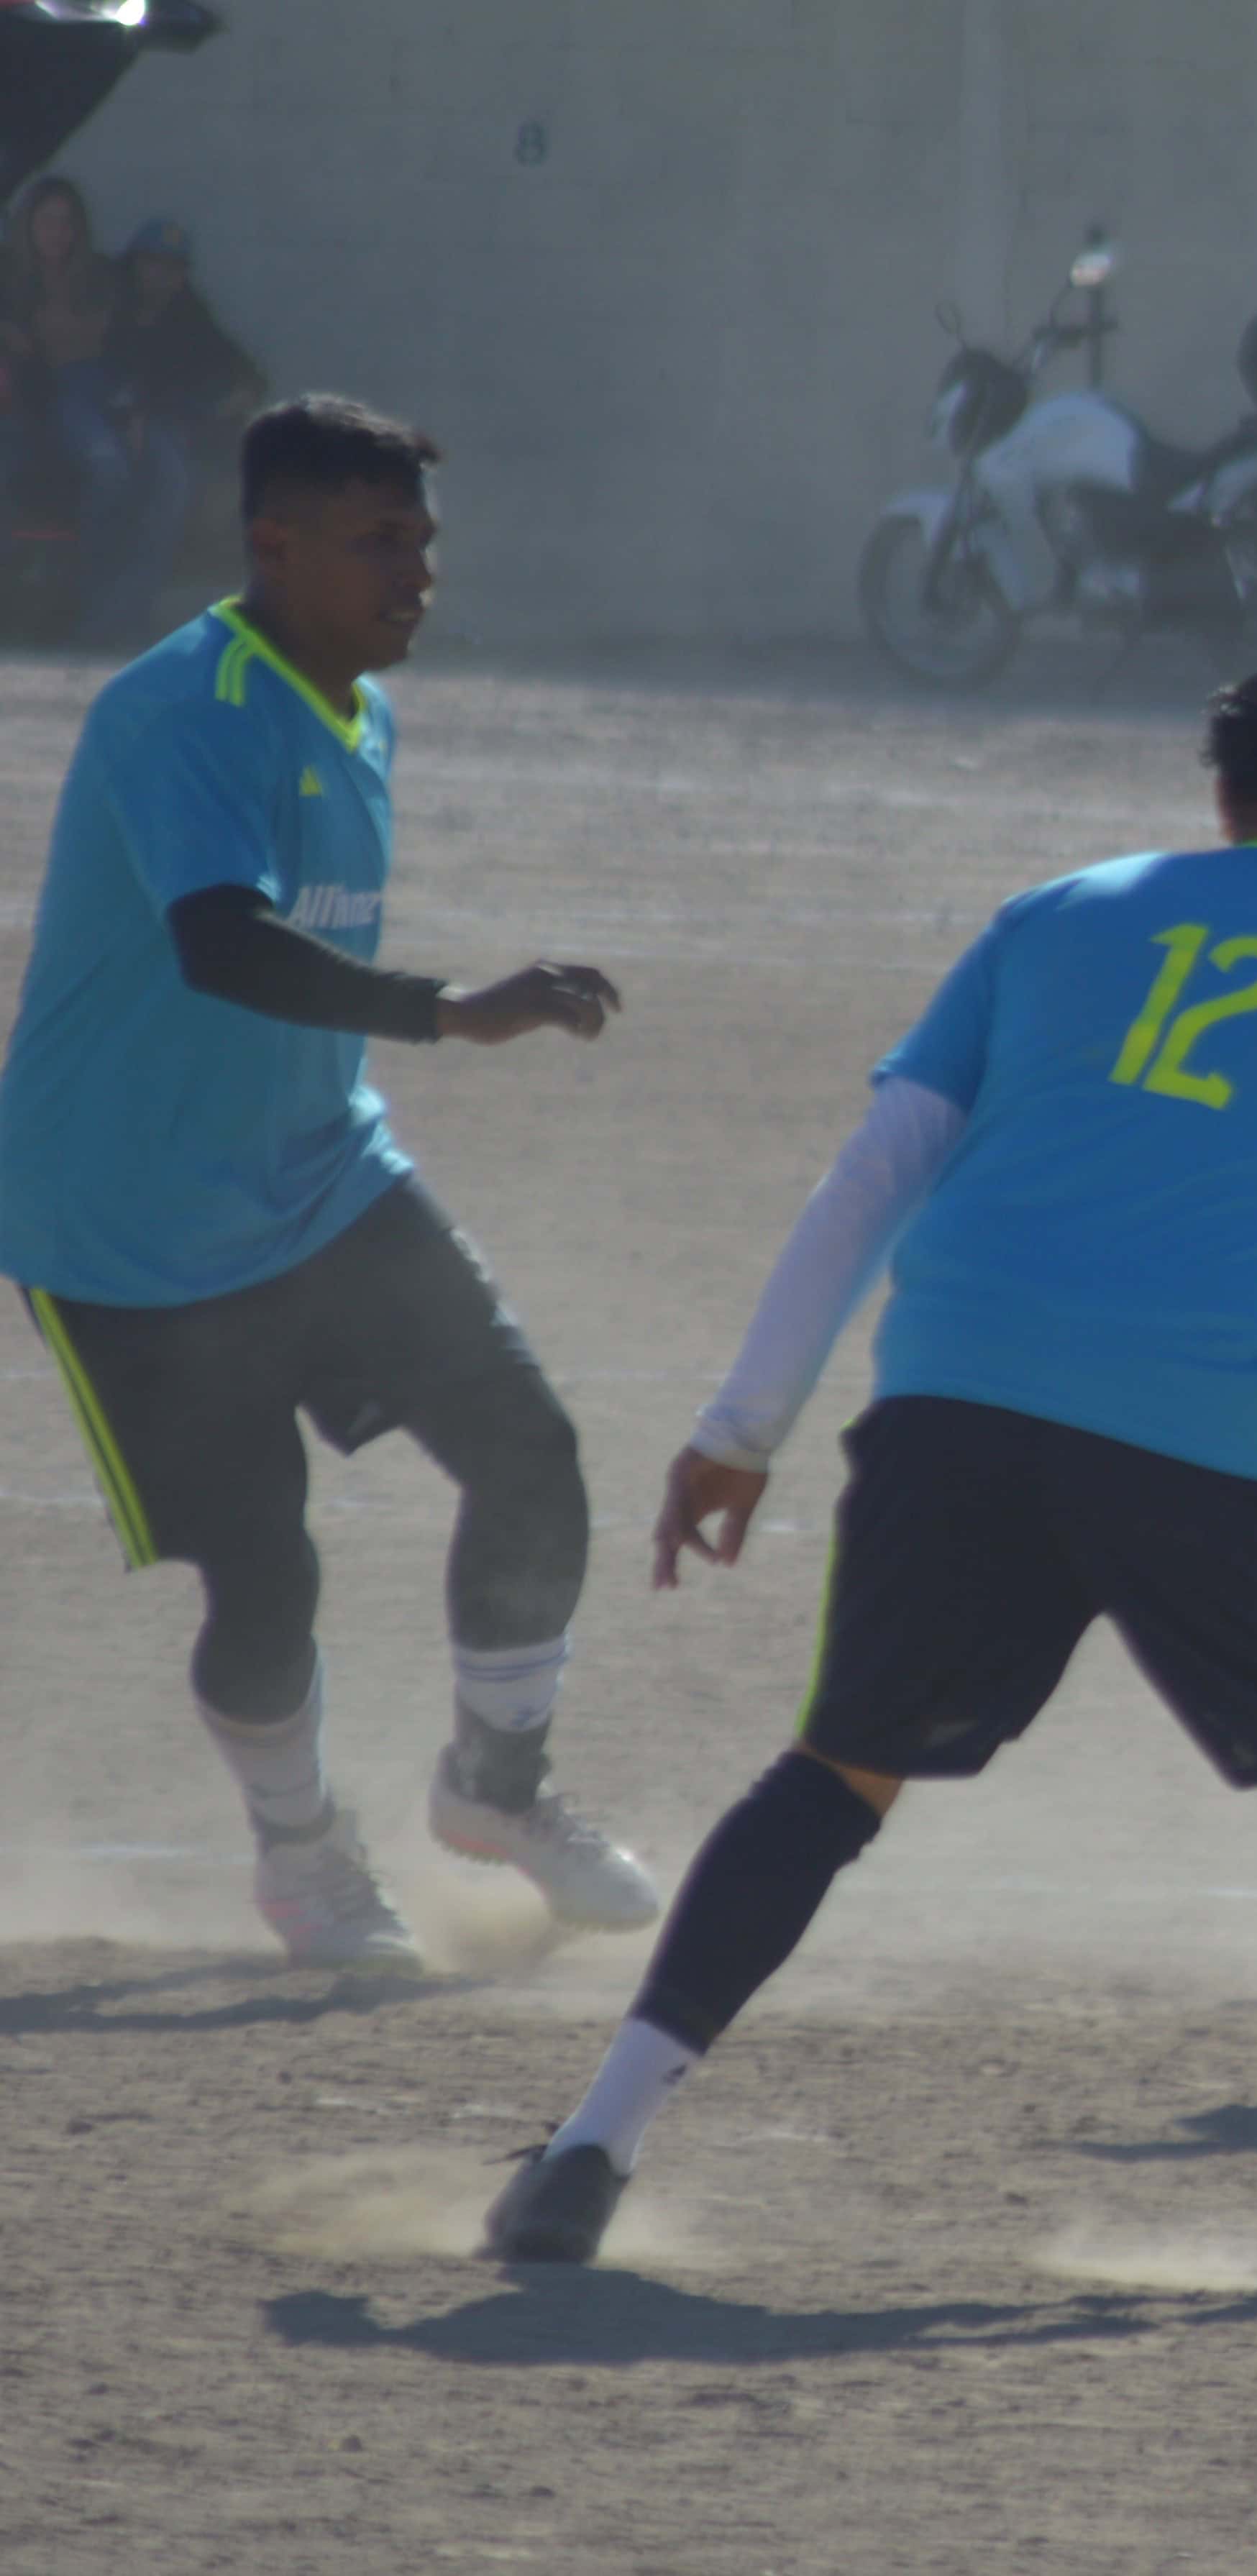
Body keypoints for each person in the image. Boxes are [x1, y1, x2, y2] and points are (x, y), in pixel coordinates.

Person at [485, 653, 1257, 2301]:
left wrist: (739, 1426)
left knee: (833, 1773)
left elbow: (875, 1169)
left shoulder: (1052, 914)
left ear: (1223, 798)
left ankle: (586, 2147)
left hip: (952, 1397)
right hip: (1205, 1443)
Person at [0, 394, 664, 1970]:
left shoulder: (360, 706)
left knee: (531, 1453)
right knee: (267, 1572)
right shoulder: (187, 708)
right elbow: (218, 942)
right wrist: (450, 1010)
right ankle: (303, 1858)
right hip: (128, 1230)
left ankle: (496, 1791)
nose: (415, 571)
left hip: (319, 1179)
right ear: (271, 544)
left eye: (423, 539)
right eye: (377, 542)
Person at [86, 216, 263, 643]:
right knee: (110, 481)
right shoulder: (108, 305)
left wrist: (239, 395)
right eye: (151, 264)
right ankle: (88, 612)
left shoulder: (189, 316)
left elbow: (244, 373)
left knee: (172, 489)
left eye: (171, 267)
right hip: (97, 426)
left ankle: (122, 623)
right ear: (134, 265)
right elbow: (94, 374)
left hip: (162, 432)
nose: (160, 276)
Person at [1, 175, 129, 582]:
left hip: (85, 395)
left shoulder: (101, 275)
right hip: (21, 399)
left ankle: (88, 587)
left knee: (110, 468)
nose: (57, 233)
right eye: (47, 221)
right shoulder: (9, 275)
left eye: (67, 222)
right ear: (28, 224)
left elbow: (114, 345)